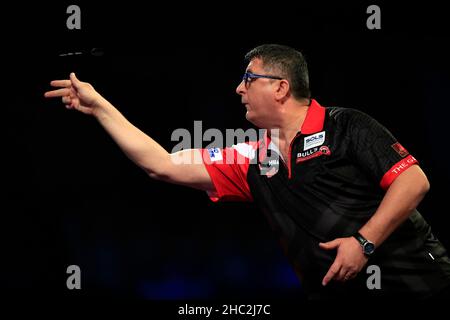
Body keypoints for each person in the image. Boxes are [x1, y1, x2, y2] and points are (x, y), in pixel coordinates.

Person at [45, 44, 450, 300]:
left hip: (417, 282)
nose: (238, 89)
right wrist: (99, 107)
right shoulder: (254, 158)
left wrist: (363, 243)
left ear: (280, 87)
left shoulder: (347, 126)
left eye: (248, 79)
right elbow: (162, 164)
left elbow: (413, 180)